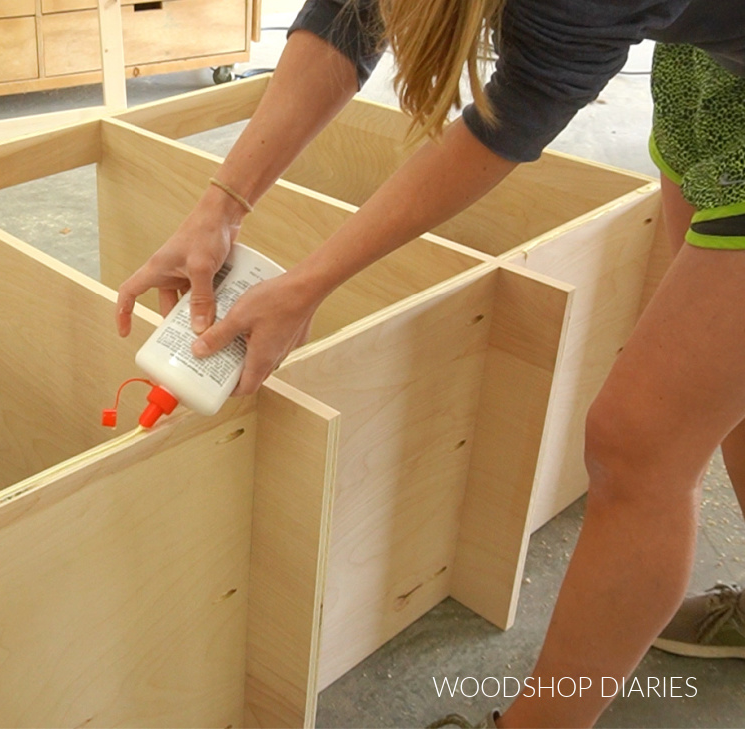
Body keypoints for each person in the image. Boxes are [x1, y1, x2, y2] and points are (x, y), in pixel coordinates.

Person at [114, 0, 745, 726]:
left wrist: (311, 282)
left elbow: (516, 112)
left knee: (640, 446)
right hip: (712, 69)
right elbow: (347, 18)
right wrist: (220, 205)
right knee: (722, 393)